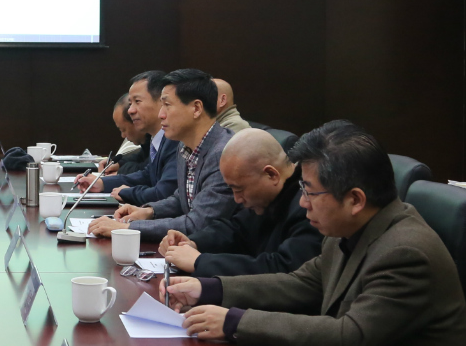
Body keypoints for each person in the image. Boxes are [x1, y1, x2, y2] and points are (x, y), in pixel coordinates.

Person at [160, 120, 466, 346]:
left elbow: (349, 336)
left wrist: (234, 322)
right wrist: (208, 289)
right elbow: (301, 283)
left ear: (355, 200)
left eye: (310, 192)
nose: (302, 203)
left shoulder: (405, 252)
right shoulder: (351, 230)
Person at [89, 68, 236, 241]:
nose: (161, 114)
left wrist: (127, 228)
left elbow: (197, 223)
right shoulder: (185, 146)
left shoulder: (223, 154)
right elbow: (182, 198)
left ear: (196, 108)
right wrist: (150, 211)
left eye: (167, 105)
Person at [158, 127, 318, 277]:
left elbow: (283, 269)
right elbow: (235, 229)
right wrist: (193, 243)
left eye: (239, 189)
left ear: (271, 175)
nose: (237, 199)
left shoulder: (309, 207)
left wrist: (200, 262)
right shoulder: (268, 198)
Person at [76, 71, 179, 205]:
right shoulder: (159, 140)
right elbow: (147, 175)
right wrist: (102, 183)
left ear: (162, 102)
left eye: (137, 101)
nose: (130, 110)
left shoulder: (175, 140)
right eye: (130, 103)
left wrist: (128, 192)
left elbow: (164, 193)